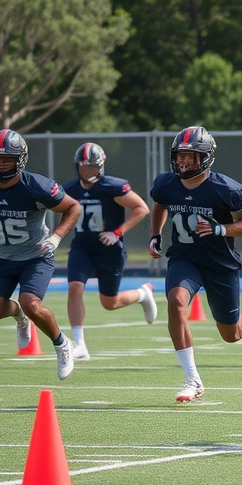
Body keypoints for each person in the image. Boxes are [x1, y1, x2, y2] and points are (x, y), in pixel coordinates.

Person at [149, 125, 242, 402]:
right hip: (184, 257)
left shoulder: (225, 188)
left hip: (220, 265)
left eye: (191, 156)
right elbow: (160, 204)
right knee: (176, 302)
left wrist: (221, 229)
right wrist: (155, 234)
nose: (184, 161)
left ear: (205, 157)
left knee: (230, 334)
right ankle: (192, 379)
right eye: (180, 155)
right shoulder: (166, 184)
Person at [0, 129, 81, 380]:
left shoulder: (37, 187)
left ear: (20, 159)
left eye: (8, 159)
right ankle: (19, 315)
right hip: (1, 258)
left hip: (36, 256)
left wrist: (56, 237)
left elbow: (73, 207)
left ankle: (62, 344)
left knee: (32, 303)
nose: (1, 164)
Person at [64, 142, 155, 361]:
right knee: (75, 287)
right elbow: (51, 208)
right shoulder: (70, 189)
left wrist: (117, 232)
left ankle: (143, 294)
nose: (88, 171)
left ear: (101, 166)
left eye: (93, 166)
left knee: (109, 303)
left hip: (109, 250)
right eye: (84, 167)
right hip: (83, 246)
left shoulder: (112, 187)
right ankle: (79, 345)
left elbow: (141, 208)